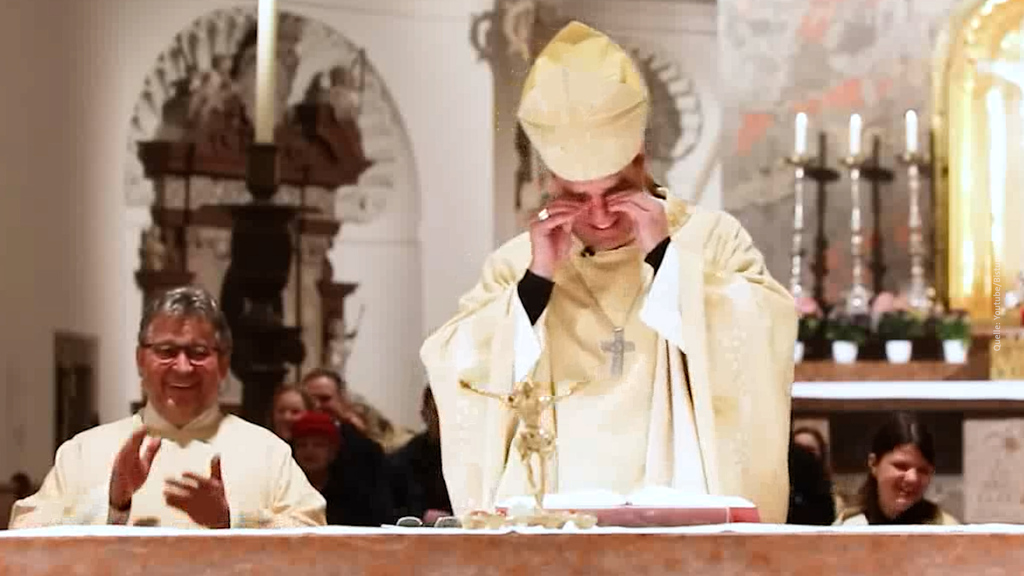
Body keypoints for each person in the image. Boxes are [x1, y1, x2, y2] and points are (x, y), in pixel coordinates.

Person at [420, 21, 796, 523]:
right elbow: (457, 367)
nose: (597, 216)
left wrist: (665, 257)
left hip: (682, 500)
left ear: (641, 162)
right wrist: (536, 284)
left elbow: (763, 335)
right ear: (547, 182)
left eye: (615, 192)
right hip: (555, 504)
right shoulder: (519, 261)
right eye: (575, 197)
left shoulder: (709, 238)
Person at [8, 286, 326, 529]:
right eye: (167, 351)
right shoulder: (83, 452)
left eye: (198, 352)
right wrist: (112, 503)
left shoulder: (269, 454)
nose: (183, 367)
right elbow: (24, 536)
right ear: (140, 359)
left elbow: (317, 542)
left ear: (224, 363)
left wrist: (233, 519)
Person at [300, 368, 395, 526]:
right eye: (310, 400)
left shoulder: (365, 450)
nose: (317, 405)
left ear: (342, 400)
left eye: (325, 399)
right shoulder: (286, 448)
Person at [835, 412, 958, 526]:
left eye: (923, 470)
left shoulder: (947, 529)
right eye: (901, 466)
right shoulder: (847, 527)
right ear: (873, 464)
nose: (912, 478)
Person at [388, 386, 452, 524]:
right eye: (437, 412)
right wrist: (421, 514)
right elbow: (389, 508)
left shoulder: (483, 458)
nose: (443, 420)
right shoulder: (404, 460)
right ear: (424, 413)